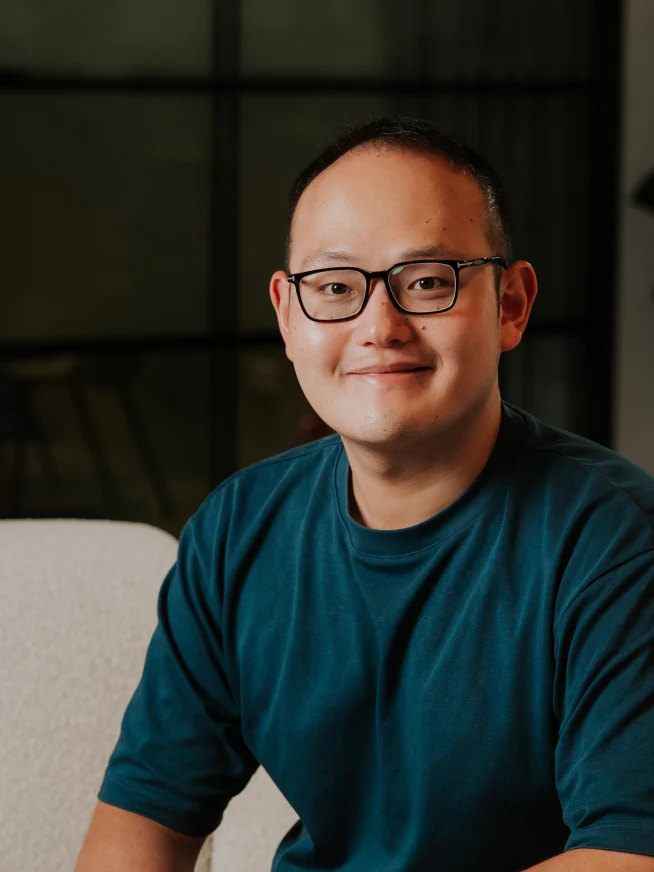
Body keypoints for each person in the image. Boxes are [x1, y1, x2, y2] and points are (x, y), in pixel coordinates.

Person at [75, 117, 654, 872]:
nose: (380, 326)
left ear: (511, 304)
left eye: (427, 281)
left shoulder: (615, 542)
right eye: (335, 287)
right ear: (287, 316)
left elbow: (629, 856)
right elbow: (141, 823)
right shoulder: (239, 529)